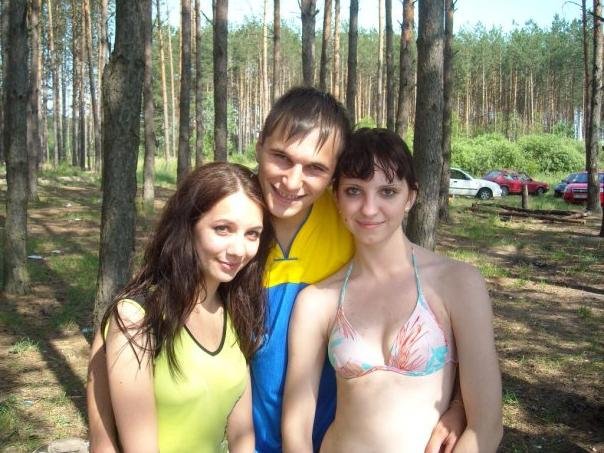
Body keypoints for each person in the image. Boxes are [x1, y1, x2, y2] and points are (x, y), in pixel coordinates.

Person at [251, 88, 468, 453]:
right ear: (260, 146)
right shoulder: (232, 222)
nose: (292, 181)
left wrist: (461, 404)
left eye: (316, 168)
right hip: (253, 439)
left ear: (334, 178)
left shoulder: (353, 221)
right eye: (281, 157)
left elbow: (446, 316)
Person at [281, 128, 503, 452]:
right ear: (336, 198)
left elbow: (486, 426)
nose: (369, 209)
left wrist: (458, 407)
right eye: (354, 191)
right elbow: (296, 427)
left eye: (387, 191)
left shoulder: (458, 283)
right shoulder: (317, 302)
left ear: (410, 197)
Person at [86, 162, 274, 453]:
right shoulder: (137, 318)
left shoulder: (237, 311)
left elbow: (242, 435)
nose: (239, 249)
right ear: (188, 226)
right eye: (222, 229)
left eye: (252, 234)